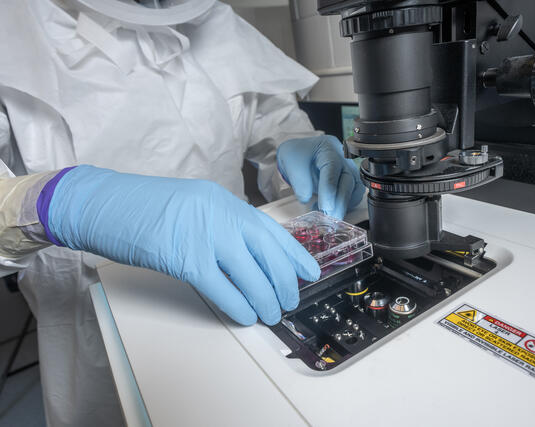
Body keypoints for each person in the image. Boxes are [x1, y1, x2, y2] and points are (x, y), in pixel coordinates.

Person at [0, 0, 365, 425]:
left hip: (243, 282)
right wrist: (58, 203)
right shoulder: (14, 26)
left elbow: (277, 129)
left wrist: (298, 152)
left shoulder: (215, 22)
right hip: (93, 325)